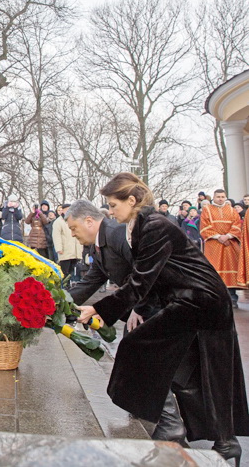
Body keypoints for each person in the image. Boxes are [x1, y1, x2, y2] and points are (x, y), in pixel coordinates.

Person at [78, 173, 249, 464]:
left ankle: (175, 428)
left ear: (131, 201)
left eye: (113, 204)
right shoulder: (141, 226)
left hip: (201, 300)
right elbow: (149, 280)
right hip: (188, 300)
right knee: (191, 370)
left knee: (142, 346)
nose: (109, 211)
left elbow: (140, 282)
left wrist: (99, 309)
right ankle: (222, 441)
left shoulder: (155, 226)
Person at [65, 200, 182, 441]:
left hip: (160, 303)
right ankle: (145, 409)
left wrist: (139, 306)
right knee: (133, 356)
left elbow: (145, 269)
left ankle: (171, 423)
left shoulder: (117, 234)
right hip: (143, 304)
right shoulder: (98, 246)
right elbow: (89, 283)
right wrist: (56, 301)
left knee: (146, 356)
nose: (72, 234)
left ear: (89, 221)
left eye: (74, 228)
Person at [200, 189, 245, 307]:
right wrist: (219, 237)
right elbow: (205, 226)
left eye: (223, 197)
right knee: (214, 270)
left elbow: (237, 225)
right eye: (218, 196)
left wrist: (228, 236)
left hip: (230, 244)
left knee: (231, 268)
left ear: (226, 198)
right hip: (214, 244)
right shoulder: (207, 209)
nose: (220, 199)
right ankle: (217, 298)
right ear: (213, 198)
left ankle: (232, 297)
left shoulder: (231, 210)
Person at [53, 203, 83, 279]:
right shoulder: (58, 221)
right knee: (64, 271)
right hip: (65, 250)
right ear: (63, 210)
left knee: (72, 271)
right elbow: (56, 235)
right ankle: (65, 287)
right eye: (67, 210)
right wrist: (59, 248)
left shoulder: (75, 220)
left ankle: (71, 286)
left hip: (75, 251)